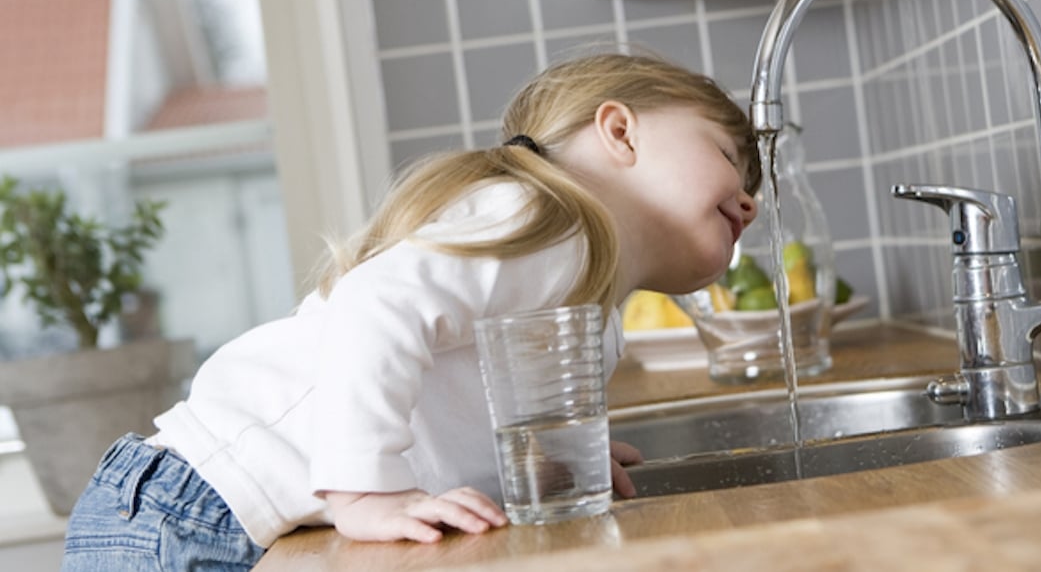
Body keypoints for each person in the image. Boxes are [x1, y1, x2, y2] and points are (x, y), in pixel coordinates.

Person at [60, 52, 762, 571]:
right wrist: (366, 492)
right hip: (188, 509)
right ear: (620, 131)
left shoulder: (588, 303)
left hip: (211, 512)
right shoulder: (553, 222)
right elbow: (378, 305)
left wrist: (545, 454)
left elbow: (446, 393)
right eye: (731, 155)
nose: (751, 198)